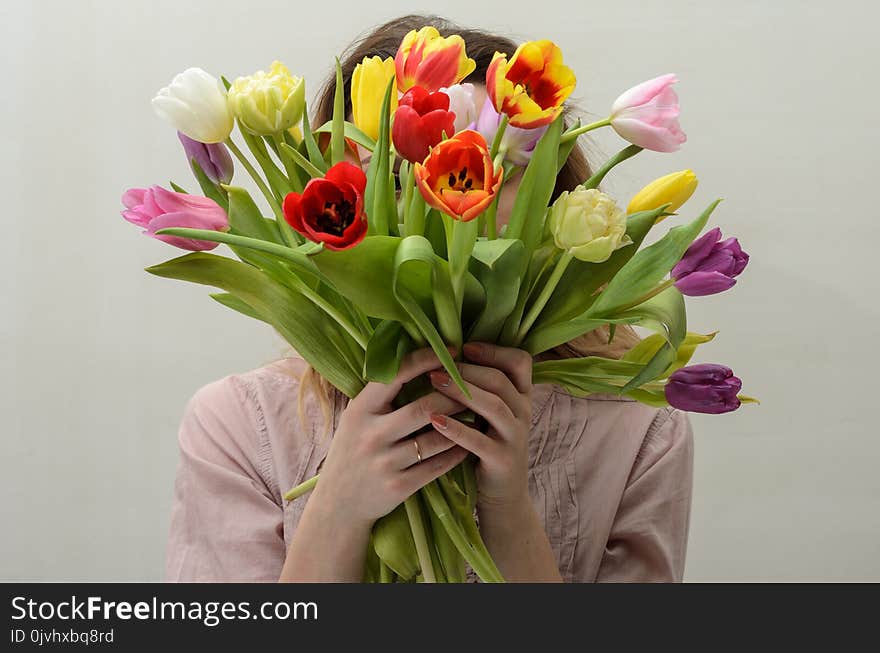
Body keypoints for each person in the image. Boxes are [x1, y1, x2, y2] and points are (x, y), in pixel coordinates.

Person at [164, 14, 694, 583]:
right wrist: (338, 509)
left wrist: (508, 515)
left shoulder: (636, 429)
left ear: (554, 189)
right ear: (329, 192)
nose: (438, 192)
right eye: (395, 174)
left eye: (499, 161)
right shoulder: (242, 425)